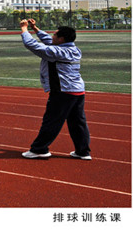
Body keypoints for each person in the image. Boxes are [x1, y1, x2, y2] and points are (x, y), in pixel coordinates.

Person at [19, 19, 91, 160]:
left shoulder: (57, 52)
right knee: (78, 123)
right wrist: (35, 28)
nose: (52, 37)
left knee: (51, 121)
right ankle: (83, 151)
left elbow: (31, 44)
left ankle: (39, 149)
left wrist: (24, 29)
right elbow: (48, 40)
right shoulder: (73, 48)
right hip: (78, 91)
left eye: (55, 35)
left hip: (63, 92)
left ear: (62, 39)